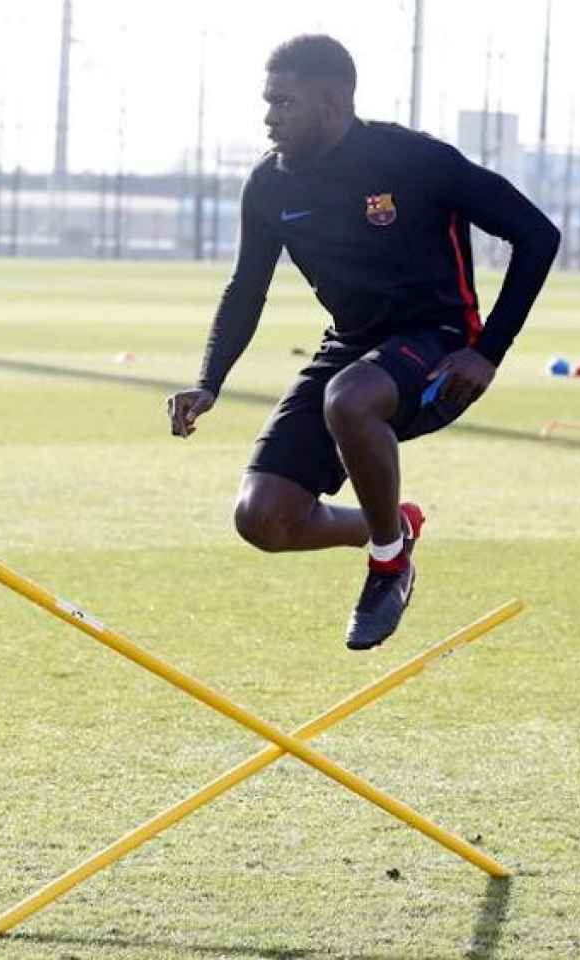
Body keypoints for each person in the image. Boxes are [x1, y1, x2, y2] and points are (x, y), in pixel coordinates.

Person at [164, 35, 559, 651]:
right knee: (262, 517)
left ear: (331, 103)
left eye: (283, 103)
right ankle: (391, 524)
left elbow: (537, 234)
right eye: (267, 102)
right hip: (353, 347)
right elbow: (246, 288)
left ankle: (388, 564)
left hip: (441, 344)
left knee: (351, 398)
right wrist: (209, 380)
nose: (269, 117)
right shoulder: (269, 186)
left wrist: (488, 352)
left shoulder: (413, 159)